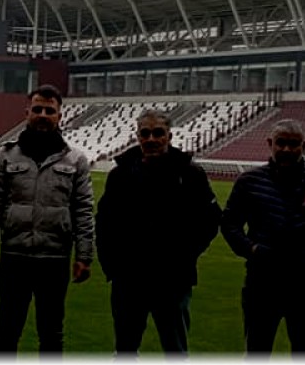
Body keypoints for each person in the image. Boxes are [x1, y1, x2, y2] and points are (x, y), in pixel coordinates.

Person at [219, 119, 305, 357]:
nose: (287, 150)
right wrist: (251, 249)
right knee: (257, 350)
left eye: (294, 144)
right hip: (262, 281)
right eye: (281, 143)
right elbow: (230, 223)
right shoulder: (249, 182)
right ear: (270, 144)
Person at [0, 84, 94, 355]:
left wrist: (84, 256)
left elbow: (83, 210)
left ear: (59, 115)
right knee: (7, 330)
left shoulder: (76, 160)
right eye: (38, 109)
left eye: (49, 110)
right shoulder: (5, 156)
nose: (43, 115)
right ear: (27, 111)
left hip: (55, 260)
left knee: (52, 333)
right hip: (14, 256)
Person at [95, 109, 221, 358]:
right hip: (128, 279)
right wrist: (112, 266)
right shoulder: (120, 175)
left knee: (175, 350)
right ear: (138, 136)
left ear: (169, 136)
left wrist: (186, 256)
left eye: (158, 133)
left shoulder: (190, 174)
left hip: (173, 279)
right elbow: (104, 223)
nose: (151, 139)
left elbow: (210, 220)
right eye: (145, 133)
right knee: (125, 350)